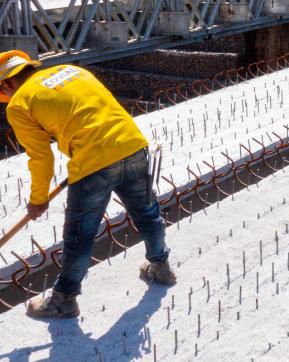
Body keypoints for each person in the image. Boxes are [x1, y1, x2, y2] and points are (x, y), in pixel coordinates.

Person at [0, 51, 175, 319]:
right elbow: (94, 113)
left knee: (80, 236)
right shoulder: (73, 71)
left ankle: (63, 300)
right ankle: (161, 266)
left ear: (6, 85)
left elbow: (40, 157)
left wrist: (38, 199)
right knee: (148, 214)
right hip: (132, 145)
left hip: (94, 165)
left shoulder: (19, 104)